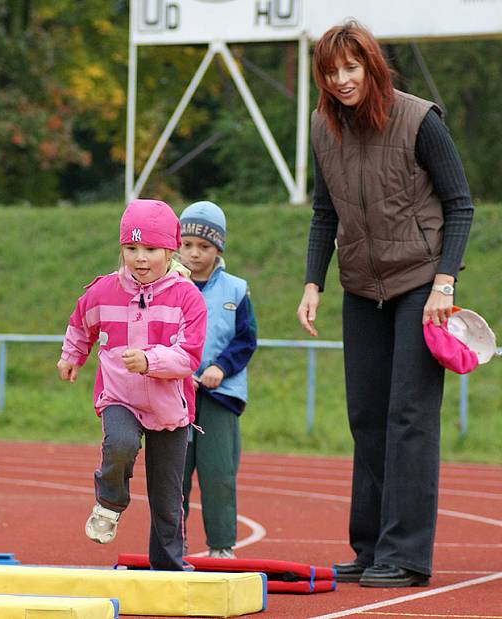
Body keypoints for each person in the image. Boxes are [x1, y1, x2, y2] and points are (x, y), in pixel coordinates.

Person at [296, 21, 474, 588]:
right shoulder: (324, 130)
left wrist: (444, 283)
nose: (342, 79)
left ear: (372, 66)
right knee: (366, 416)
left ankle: (407, 555)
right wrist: (311, 284)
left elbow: (461, 205)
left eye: (352, 67)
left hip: (421, 285)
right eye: (331, 70)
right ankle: (371, 548)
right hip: (359, 286)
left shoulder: (420, 119)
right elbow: (326, 213)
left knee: (409, 419)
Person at [57, 199, 207, 570]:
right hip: (120, 395)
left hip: (169, 406)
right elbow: (81, 323)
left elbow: (189, 356)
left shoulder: (187, 297)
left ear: (170, 249)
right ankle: (109, 503)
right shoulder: (104, 290)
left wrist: (150, 361)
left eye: (151, 250)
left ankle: (169, 565)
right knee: (120, 443)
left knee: (167, 495)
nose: (140, 258)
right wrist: (71, 356)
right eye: (131, 248)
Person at [178, 201, 257, 559]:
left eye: (204, 247)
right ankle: (170, 543)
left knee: (218, 473)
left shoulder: (237, 290)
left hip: (219, 394)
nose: (195, 254)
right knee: (173, 475)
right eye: (187, 245)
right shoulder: (166, 286)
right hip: (175, 395)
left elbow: (245, 339)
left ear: (218, 249)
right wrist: (178, 370)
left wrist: (221, 368)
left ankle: (222, 546)